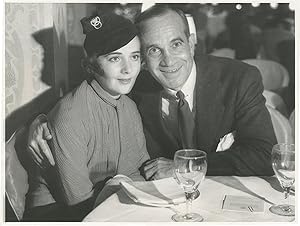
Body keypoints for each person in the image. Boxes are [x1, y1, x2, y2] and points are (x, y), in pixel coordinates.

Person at [27, 5, 276, 182]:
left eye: (176, 44)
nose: (168, 60)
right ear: (142, 59)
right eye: (154, 50)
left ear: (191, 43)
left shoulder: (238, 78)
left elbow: (264, 155)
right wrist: (42, 119)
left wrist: (185, 167)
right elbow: (92, 88)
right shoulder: (136, 84)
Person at [23, 12, 149, 221]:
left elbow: (136, 173)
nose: (128, 69)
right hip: (59, 214)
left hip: (109, 204)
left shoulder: (130, 107)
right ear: (90, 65)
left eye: (134, 57)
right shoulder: (70, 116)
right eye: (115, 58)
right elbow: (77, 202)